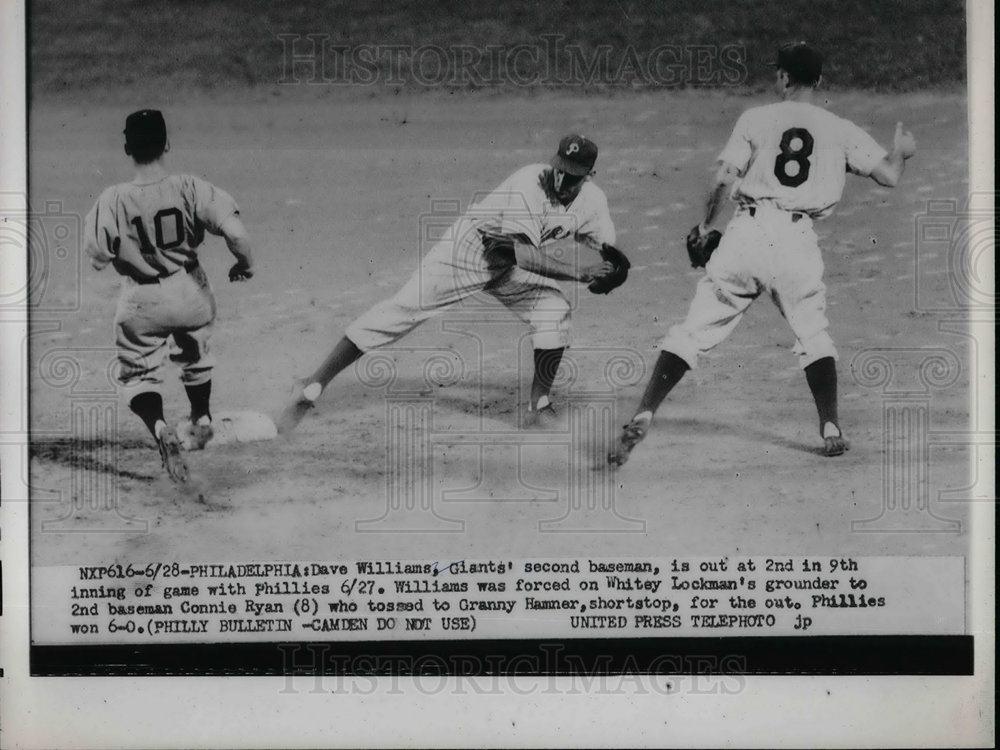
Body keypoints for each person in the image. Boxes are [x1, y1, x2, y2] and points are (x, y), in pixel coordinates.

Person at [608, 43, 917, 466]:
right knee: (813, 332)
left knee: (693, 331)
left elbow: (724, 178)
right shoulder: (840, 129)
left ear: (784, 78)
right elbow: (890, 175)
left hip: (747, 235)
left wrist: (705, 226)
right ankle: (831, 426)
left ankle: (645, 411)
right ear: (819, 80)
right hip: (797, 242)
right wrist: (902, 150)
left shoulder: (756, 118)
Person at [278, 134, 618, 433]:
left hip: (508, 266)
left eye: (572, 175)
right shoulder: (530, 182)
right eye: (559, 168)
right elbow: (526, 256)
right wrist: (581, 273)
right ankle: (313, 383)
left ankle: (538, 407)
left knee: (555, 311)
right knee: (403, 311)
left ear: (589, 176)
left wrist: (613, 271)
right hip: (468, 251)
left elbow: (609, 251)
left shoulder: (593, 201)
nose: (561, 178)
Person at [83, 109, 255, 482]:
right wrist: (244, 264)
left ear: (127, 148)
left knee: (139, 377)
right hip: (190, 289)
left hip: (141, 299)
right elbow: (236, 234)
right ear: (167, 144)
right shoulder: (190, 187)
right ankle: (202, 419)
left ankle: (160, 428)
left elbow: (97, 256)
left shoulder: (112, 198)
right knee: (197, 357)